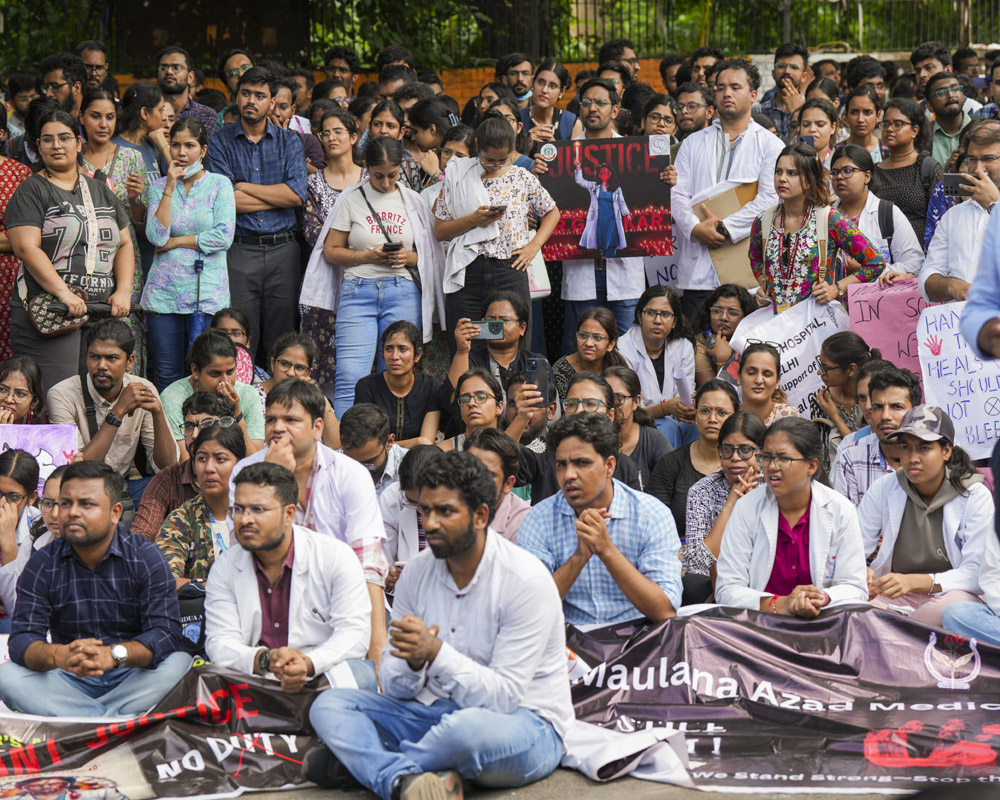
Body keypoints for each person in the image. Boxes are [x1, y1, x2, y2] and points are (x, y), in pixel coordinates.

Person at [304, 449, 571, 800]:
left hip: (524, 724)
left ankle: (366, 768)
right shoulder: (415, 572)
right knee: (330, 706)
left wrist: (436, 654)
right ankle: (403, 781)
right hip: (434, 714)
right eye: (425, 510)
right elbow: (398, 689)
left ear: (480, 515)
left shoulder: (526, 580)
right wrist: (414, 662)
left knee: (465, 732)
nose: (430, 523)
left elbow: (504, 698)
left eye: (445, 511)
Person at [0, 461, 191, 717]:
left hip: (131, 676)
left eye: (86, 504)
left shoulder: (145, 557)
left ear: (115, 512)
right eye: (65, 503)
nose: (71, 513)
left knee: (181, 665)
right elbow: (22, 639)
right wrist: (60, 655)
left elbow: (167, 634)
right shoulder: (42, 563)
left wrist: (115, 655)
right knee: (7, 676)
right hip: (68, 677)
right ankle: (115, 724)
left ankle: (82, 722)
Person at [230, 379, 387, 666]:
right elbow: (245, 552)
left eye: (290, 419)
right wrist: (273, 476)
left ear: (317, 428)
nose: (277, 427)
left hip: (343, 606)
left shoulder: (350, 474)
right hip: (269, 605)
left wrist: (377, 647)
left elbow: (369, 564)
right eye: (271, 420)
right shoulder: (246, 472)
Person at [205, 461, 375, 691]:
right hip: (258, 678)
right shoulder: (224, 567)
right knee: (202, 677)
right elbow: (220, 643)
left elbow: (354, 635)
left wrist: (308, 663)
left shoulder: (335, 556)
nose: (244, 519)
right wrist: (266, 659)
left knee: (361, 676)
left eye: (258, 509)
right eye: (238, 509)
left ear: (289, 514)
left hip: (323, 675)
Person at [7, 108, 133, 395]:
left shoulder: (100, 190)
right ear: (38, 146)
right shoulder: (31, 191)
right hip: (52, 312)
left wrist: (123, 290)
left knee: (95, 401)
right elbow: (26, 248)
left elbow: (124, 242)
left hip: (99, 313)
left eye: (64, 138)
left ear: (78, 143)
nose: (57, 145)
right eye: (48, 139)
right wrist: (64, 294)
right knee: (58, 400)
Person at [315, 137, 442, 418]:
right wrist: (366, 256)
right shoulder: (351, 198)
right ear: (365, 167)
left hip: (403, 290)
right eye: (378, 176)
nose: (386, 183)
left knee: (397, 372)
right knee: (350, 375)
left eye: (392, 175)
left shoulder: (413, 200)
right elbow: (331, 250)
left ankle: (390, 440)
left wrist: (408, 258)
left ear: (401, 168)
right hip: (358, 290)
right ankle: (347, 444)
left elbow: (431, 255)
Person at [518, 412, 681, 626]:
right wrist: (579, 557)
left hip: (639, 643)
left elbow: (664, 610)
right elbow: (529, 609)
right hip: (569, 645)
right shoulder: (539, 519)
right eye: (561, 465)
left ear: (610, 466)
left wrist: (606, 550)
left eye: (582, 463)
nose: (569, 475)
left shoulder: (651, 515)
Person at [714, 418, 869, 614]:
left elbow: (855, 588)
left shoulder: (840, 510)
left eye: (783, 459)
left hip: (824, 621)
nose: (771, 467)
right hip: (760, 624)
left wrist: (821, 599)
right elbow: (727, 590)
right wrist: (781, 605)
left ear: (811, 466)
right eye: (767, 457)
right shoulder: (747, 508)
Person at [207, 66, 307, 363]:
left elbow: (296, 195)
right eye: (246, 93)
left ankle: (281, 403)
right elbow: (224, 201)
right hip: (240, 248)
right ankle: (240, 401)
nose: (251, 100)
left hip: (284, 251)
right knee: (238, 332)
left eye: (260, 95)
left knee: (282, 336)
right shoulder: (220, 141)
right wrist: (276, 196)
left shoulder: (290, 141)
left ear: (272, 102)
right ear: (236, 97)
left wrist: (246, 188)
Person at [860, 406, 992, 628]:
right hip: (894, 596)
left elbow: (977, 573)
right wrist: (861, 572)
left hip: (950, 595)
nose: (913, 458)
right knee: (851, 602)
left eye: (924, 448)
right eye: (905, 447)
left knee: (953, 610)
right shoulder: (884, 488)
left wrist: (916, 582)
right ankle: (904, 631)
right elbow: (853, 547)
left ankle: (903, 631)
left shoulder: (974, 494)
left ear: (946, 451)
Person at [672, 59, 784, 319]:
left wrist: (725, 228)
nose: (727, 94)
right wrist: (694, 228)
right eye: (720, 88)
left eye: (735, 87)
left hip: (745, 271)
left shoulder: (770, 145)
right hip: (697, 270)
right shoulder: (692, 143)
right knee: (697, 350)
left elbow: (769, 198)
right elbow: (677, 194)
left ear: (753, 95)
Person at [435, 117, 558, 336]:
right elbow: (440, 231)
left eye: (503, 160)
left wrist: (534, 246)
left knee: (513, 342)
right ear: (477, 147)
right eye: (489, 159)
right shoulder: (458, 176)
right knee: (467, 342)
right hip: (467, 270)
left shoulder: (522, 177)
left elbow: (552, 212)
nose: (496, 165)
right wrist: (473, 220)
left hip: (510, 269)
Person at [144, 118, 236, 390]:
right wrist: (169, 187)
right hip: (164, 294)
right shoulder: (159, 186)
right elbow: (156, 236)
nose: (181, 152)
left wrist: (177, 242)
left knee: (207, 371)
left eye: (190, 145)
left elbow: (223, 236)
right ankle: (168, 430)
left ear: (203, 150)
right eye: (175, 145)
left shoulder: (220, 185)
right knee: (166, 372)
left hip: (206, 292)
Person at [46, 319, 176, 502]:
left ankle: (142, 530)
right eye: (94, 357)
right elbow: (77, 472)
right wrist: (118, 412)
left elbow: (167, 467)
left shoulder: (143, 389)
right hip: (79, 491)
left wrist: (158, 415)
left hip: (123, 488)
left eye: (111, 358)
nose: (101, 366)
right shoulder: (62, 395)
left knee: (176, 486)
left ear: (129, 362)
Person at [749, 143, 884, 312]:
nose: (782, 178)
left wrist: (836, 288)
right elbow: (755, 259)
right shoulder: (763, 221)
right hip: (776, 324)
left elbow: (875, 262)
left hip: (816, 324)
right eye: (778, 171)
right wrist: (764, 286)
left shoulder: (829, 219)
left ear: (808, 181)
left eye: (792, 173)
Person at [683, 411, 765, 603]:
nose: (735, 457)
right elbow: (697, 565)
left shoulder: (774, 489)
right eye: (727, 449)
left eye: (745, 450)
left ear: (761, 454)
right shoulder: (702, 491)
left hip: (766, 576)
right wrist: (731, 503)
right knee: (691, 586)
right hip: (717, 580)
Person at [132, 392, 234, 541]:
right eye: (189, 426)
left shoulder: (245, 478)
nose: (194, 435)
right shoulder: (168, 479)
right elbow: (142, 537)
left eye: (205, 425)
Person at [156, 423, 246, 586]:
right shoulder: (183, 519)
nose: (209, 468)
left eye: (220, 459)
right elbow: (164, 581)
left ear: (240, 464)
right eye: (202, 459)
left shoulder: (259, 513)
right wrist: (221, 588)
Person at [919, 120, 1000, 302]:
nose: (978, 169)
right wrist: (953, 286)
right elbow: (928, 276)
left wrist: (994, 205)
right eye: (972, 160)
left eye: (988, 159)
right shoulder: (952, 216)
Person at [649, 379, 738, 540]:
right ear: (695, 414)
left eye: (721, 412)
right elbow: (653, 524)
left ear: (735, 418)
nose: (712, 418)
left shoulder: (744, 465)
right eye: (705, 411)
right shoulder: (670, 464)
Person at [160, 329, 265, 459]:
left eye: (230, 372)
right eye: (215, 374)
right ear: (195, 371)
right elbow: (184, 462)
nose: (225, 382)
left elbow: (255, 461)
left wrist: (237, 413)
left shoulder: (248, 395)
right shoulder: (173, 398)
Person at [830, 144, 924, 284]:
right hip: (830, 300)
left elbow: (914, 264)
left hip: (876, 299)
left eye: (847, 170)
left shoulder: (887, 213)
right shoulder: (826, 215)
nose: (839, 177)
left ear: (867, 176)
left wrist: (868, 271)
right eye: (834, 172)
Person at [616, 286, 697, 448]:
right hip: (638, 421)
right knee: (667, 427)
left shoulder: (683, 346)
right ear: (639, 316)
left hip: (675, 420)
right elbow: (629, 410)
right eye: (651, 313)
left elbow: (686, 396)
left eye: (665, 314)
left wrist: (686, 409)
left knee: (695, 427)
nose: (658, 320)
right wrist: (665, 409)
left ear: (674, 321)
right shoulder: (624, 348)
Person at [833, 367, 921, 506]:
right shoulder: (850, 459)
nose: (885, 416)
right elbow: (843, 524)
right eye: (878, 407)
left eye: (896, 407)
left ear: (915, 412)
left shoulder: (936, 453)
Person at [355, 321, 447, 448]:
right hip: (376, 460)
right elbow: (368, 444)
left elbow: (426, 443)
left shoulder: (431, 387)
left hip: (417, 460)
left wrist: (417, 443)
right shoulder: (367, 387)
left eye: (403, 349)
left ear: (418, 355)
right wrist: (416, 441)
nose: (394, 356)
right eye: (389, 349)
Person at [448, 290, 541, 402]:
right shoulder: (469, 360)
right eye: (490, 320)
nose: (495, 326)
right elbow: (452, 401)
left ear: (522, 328)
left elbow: (546, 406)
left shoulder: (535, 362)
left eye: (504, 320)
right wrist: (461, 352)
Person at [875, 98, 944, 241]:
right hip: (882, 254)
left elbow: (943, 219)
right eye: (886, 124)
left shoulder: (928, 168)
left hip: (922, 254)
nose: (889, 129)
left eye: (898, 124)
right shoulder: (874, 171)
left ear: (914, 130)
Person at [259, 333, 340, 450]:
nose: (291, 372)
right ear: (273, 364)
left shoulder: (312, 398)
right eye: (284, 364)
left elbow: (335, 445)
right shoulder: (252, 396)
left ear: (308, 373)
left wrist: (320, 398)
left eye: (299, 368)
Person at [811, 331, 879, 463]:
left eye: (826, 368)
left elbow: (867, 453)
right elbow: (823, 455)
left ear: (851, 370)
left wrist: (835, 417)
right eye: (820, 365)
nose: (820, 372)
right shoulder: (821, 399)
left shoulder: (876, 400)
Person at [463, 426, 531, 543]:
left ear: (508, 484)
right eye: (471, 470)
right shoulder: (449, 507)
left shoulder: (525, 522)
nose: (476, 480)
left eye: (488, 474)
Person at [0, 119, 32, 361]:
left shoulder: (19, 174)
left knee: (11, 352)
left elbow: (30, 234)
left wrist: (17, 240)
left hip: (10, 277)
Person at [0, 449, 41, 628]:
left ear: (31, 498)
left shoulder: (41, 529)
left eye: (13, 497)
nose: (2, 504)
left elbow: (18, 609)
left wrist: (9, 543)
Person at [553, 306, 625, 401]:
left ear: (611, 344)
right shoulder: (560, 372)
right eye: (583, 335)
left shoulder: (617, 366)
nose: (588, 343)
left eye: (597, 337)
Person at [339, 402, 407, 498]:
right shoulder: (330, 468)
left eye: (369, 462)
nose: (360, 469)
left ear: (389, 442)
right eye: (351, 462)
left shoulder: (411, 468)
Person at [692, 284, 755, 387]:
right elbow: (713, 394)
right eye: (717, 311)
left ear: (746, 317)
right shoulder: (700, 345)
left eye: (733, 313)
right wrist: (722, 362)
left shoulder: (754, 336)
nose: (723, 318)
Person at [157, 47, 218, 137]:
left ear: (190, 77)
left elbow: (199, 150)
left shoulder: (205, 114)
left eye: (176, 67)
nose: (169, 71)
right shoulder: (149, 112)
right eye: (163, 68)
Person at [439, 369, 505, 452]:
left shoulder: (513, 448)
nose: (471, 403)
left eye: (481, 397)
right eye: (464, 399)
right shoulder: (443, 452)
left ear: (499, 407)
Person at [737, 341, 799, 424]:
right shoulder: (727, 416)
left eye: (767, 374)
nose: (759, 380)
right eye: (751, 372)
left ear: (777, 381)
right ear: (739, 377)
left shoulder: (788, 416)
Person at [759, 43, 810, 140]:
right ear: (773, 74)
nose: (787, 71)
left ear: (804, 76)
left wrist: (799, 112)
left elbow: (811, 149)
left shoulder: (813, 112)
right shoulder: (758, 112)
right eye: (781, 66)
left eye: (794, 67)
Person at [523, 60, 582, 142]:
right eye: (540, 82)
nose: (544, 90)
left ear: (562, 91)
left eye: (552, 86)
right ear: (533, 82)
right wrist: (527, 148)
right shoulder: (517, 118)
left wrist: (554, 147)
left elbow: (576, 155)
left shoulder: (571, 123)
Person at [926, 72, 975, 167]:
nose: (951, 95)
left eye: (955, 89)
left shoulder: (981, 129)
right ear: (930, 106)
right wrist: (944, 172)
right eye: (941, 93)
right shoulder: (922, 136)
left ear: (963, 96)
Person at [210, 307, 269, 387]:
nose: (229, 339)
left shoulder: (262, 382)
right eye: (222, 332)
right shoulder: (199, 377)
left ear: (248, 341)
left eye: (236, 333)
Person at [843, 85, 888, 165]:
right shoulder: (836, 151)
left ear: (878, 115)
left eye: (867, 112)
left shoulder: (888, 151)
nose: (860, 119)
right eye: (854, 112)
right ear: (846, 116)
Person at [39, 53, 86, 121]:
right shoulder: (45, 122)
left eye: (55, 87)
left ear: (76, 88)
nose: (48, 94)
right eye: (46, 88)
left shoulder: (96, 125)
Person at [0, 356, 45, 424]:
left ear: (34, 402)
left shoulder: (40, 429)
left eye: (20, 393)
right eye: (2, 389)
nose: (9, 400)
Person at [795, 98, 839, 168]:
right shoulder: (791, 161)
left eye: (820, 124)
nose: (812, 129)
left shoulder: (839, 163)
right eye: (806, 124)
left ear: (833, 128)